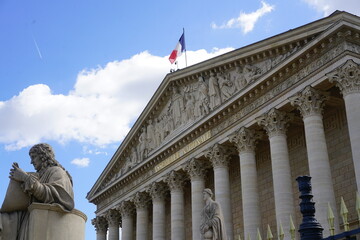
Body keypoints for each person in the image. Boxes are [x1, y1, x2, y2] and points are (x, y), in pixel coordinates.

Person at [0, 143, 74, 240]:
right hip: (29, 220)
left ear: (44, 156)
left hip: (43, 223)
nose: (31, 162)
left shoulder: (57, 171)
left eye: (34, 157)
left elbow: (54, 195)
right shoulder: (39, 175)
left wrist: (25, 178)